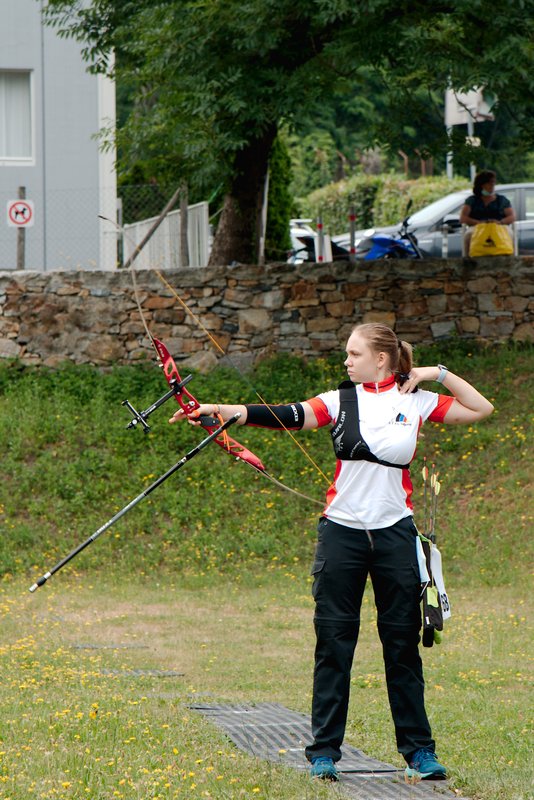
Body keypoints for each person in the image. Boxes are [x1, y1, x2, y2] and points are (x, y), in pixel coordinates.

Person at [169, 322, 494, 783]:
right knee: (334, 644)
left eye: (354, 354)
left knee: (402, 645)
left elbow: (481, 408)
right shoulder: (340, 399)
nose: (346, 360)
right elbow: (288, 414)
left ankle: (420, 752)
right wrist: (221, 411)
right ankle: (324, 752)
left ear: (380, 358)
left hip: (395, 535)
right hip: (341, 534)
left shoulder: (416, 400)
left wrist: (435, 373)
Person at [459, 170, 516, 253]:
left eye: (493, 182)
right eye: (489, 183)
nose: (492, 185)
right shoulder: (472, 200)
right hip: (477, 227)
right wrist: (478, 223)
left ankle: (508, 257)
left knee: (509, 234)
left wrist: (500, 222)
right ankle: (469, 259)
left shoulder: (502, 200)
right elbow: (463, 218)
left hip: (499, 227)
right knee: (469, 235)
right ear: (481, 185)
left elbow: (512, 217)